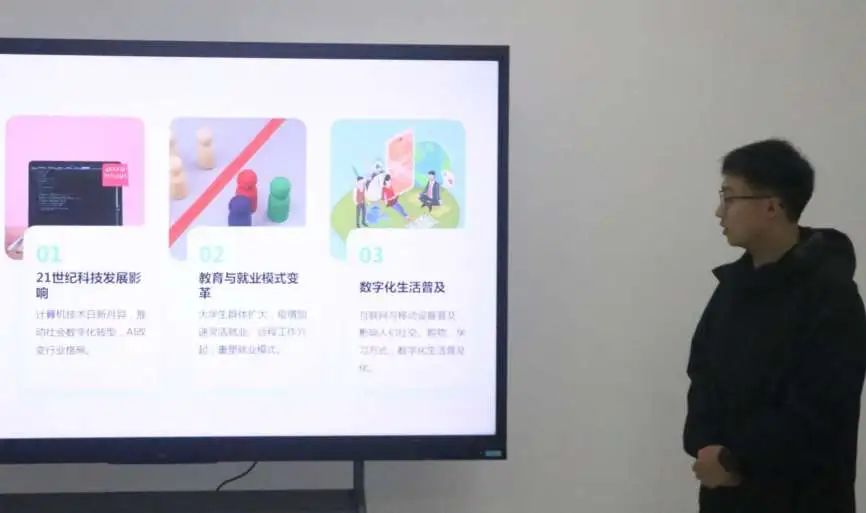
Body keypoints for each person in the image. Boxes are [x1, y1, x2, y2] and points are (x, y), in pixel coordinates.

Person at [683, 139, 866, 513]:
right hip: (724, 497)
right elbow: (702, 376)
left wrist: (735, 460)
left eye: (729, 197)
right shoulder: (731, 289)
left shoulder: (832, 295)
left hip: (803, 499)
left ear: (771, 206)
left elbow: (821, 410)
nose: (719, 212)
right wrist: (707, 448)